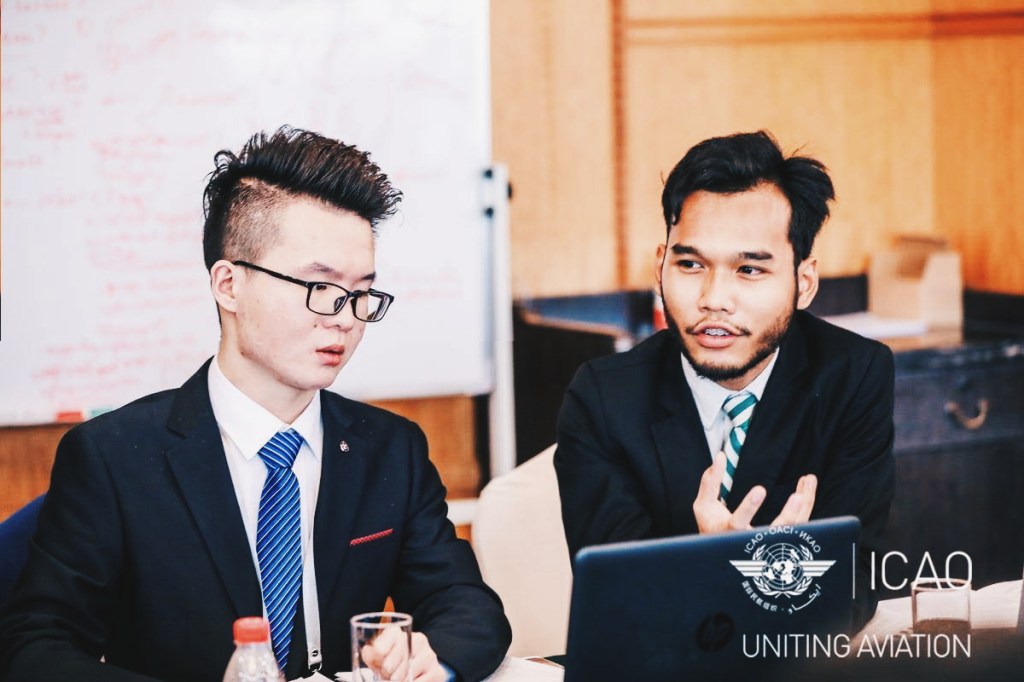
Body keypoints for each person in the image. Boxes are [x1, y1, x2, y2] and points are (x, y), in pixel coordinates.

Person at [0, 127, 511, 682]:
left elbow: (466, 605)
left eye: (362, 293)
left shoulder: (389, 449)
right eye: (319, 287)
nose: (344, 317)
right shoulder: (116, 458)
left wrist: (431, 657)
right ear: (229, 285)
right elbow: (36, 648)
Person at [554, 130, 895, 629]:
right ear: (659, 266)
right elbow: (618, 602)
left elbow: (854, 584)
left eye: (749, 270)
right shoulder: (604, 397)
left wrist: (732, 577)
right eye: (690, 264)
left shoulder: (852, 374)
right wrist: (727, 572)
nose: (715, 298)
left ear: (803, 282)